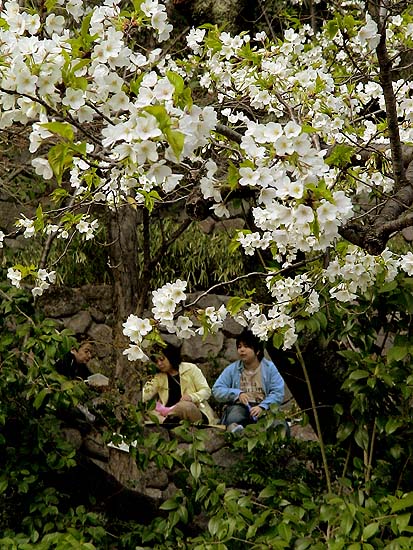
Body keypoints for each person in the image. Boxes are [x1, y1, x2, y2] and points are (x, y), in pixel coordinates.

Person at [212, 329, 285, 431]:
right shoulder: (232, 369)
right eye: (239, 347)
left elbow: (278, 393)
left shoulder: (270, 368)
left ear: (257, 350)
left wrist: (262, 407)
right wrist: (237, 394)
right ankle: (237, 432)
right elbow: (217, 390)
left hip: (265, 407)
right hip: (242, 407)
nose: (241, 350)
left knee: (279, 424)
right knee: (234, 417)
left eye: (246, 347)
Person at [143, 343, 217, 425]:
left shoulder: (190, 369)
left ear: (170, 356)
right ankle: (168, 421)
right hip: (167, 414)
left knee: (185, 407)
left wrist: (191, 397)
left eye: (162, 359)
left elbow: (206, 391)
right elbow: (145, 395)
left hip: (194, 411)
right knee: (149, 409)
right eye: (156, 362)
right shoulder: (158, 377)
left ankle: (171, 419)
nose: (159, 364)